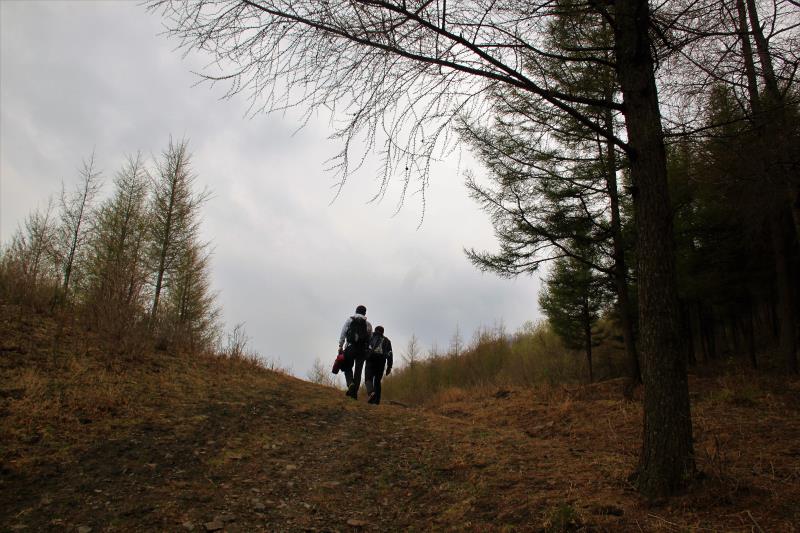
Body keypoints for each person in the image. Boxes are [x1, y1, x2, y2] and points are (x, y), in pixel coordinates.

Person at [338, 305, 372, 399]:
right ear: (365, 313)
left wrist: (341, 346)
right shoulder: (368, 324)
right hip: (361, 350)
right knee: (358, 371)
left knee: (347, 366)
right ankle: (354, 393)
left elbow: (343, 333)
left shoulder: (350, 320)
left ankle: (350, 384)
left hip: (350, 348)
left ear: (356, 311)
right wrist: (367, 351)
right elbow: (370, 339)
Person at [364, 325, 393, 404]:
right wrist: (389, 367)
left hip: (371, 360)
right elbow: (390, 354)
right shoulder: (387, 341)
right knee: (377, 381)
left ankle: (371, 393)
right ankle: (377, 401)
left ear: (375, 330)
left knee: (368, 378)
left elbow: (365, 347)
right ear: (383, 332)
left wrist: (365, 356)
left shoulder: (371, 337)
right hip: (381, 362)